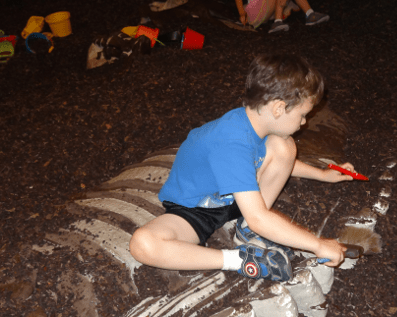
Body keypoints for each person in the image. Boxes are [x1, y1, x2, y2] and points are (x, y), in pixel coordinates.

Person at [129, 54, 355, 282]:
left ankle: (248, 229)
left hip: (235, 198)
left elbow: (262, 160)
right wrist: (317, 245)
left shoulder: (252, 124)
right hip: (195, 210)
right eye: (303, 115)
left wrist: (322, 175)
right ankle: (238, 259)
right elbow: (256, 210)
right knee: (144, 244)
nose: (304, 122)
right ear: (278, 108)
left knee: (283, 145)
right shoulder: (231, 143)